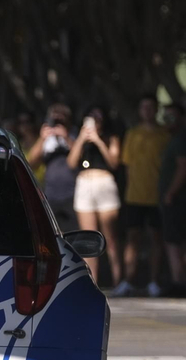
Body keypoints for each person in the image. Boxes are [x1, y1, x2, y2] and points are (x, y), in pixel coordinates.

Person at [116, 94, 169, 297]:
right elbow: (127, 166)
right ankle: (128, 280)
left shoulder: (164, 135)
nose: (147, 110)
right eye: (143, 107)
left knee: (156, 238)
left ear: (156, 110)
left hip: (156, 195)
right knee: (132, 239)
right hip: (134, 196)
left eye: (151, 107)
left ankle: (154, 281)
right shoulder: (132, 134)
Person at [65, 106, 124, 286]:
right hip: (84, 185)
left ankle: (119, 281)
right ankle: (92, 282)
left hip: (104, 183)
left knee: (110, 237)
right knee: (89, 240)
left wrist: (98, 141)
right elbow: (71, 162)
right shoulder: (81, 140)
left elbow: (114, 162)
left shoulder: (111, 138)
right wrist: (82, 138)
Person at [159, 102, 186, 294]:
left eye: (172, 117)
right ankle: (180, 279)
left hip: (177, 198)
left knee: (174, 240)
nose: (168, 121)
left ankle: (180, 282)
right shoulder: (174, 138)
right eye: (166, 117)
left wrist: (171, 192)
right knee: (175, 239)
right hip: (174, 197)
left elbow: (184, 166)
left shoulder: (183, 138)